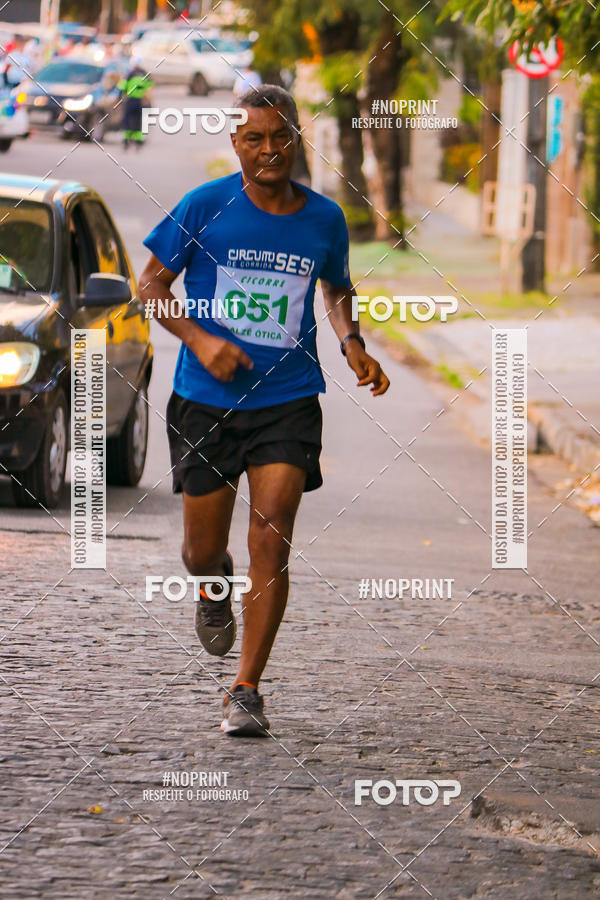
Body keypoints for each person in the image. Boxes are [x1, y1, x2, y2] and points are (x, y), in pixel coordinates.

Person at [140, 84, 390, 738]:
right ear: (236, 144)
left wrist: (351, 342)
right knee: (202, 551)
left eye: (281, 136)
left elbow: (336, 286)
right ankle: (210, 587)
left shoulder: (323, 218)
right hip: (205, 401)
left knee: (271, 536)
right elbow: (151, 285)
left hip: (288, 401)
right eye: (255, 138)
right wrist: (200, 339)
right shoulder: (206, 204)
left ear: (296, 138)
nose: (270, 149)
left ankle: (246, 689)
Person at [118, 62, 152, 149]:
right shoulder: (144, 75)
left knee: (127, 119)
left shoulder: (129, 75)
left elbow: (121, 87)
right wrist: (148, 102)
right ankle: (138, 139)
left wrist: (120, 98)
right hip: (140, 101)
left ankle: (126, 138)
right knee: (138, 119)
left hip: (130, 100)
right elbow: (149, 89)